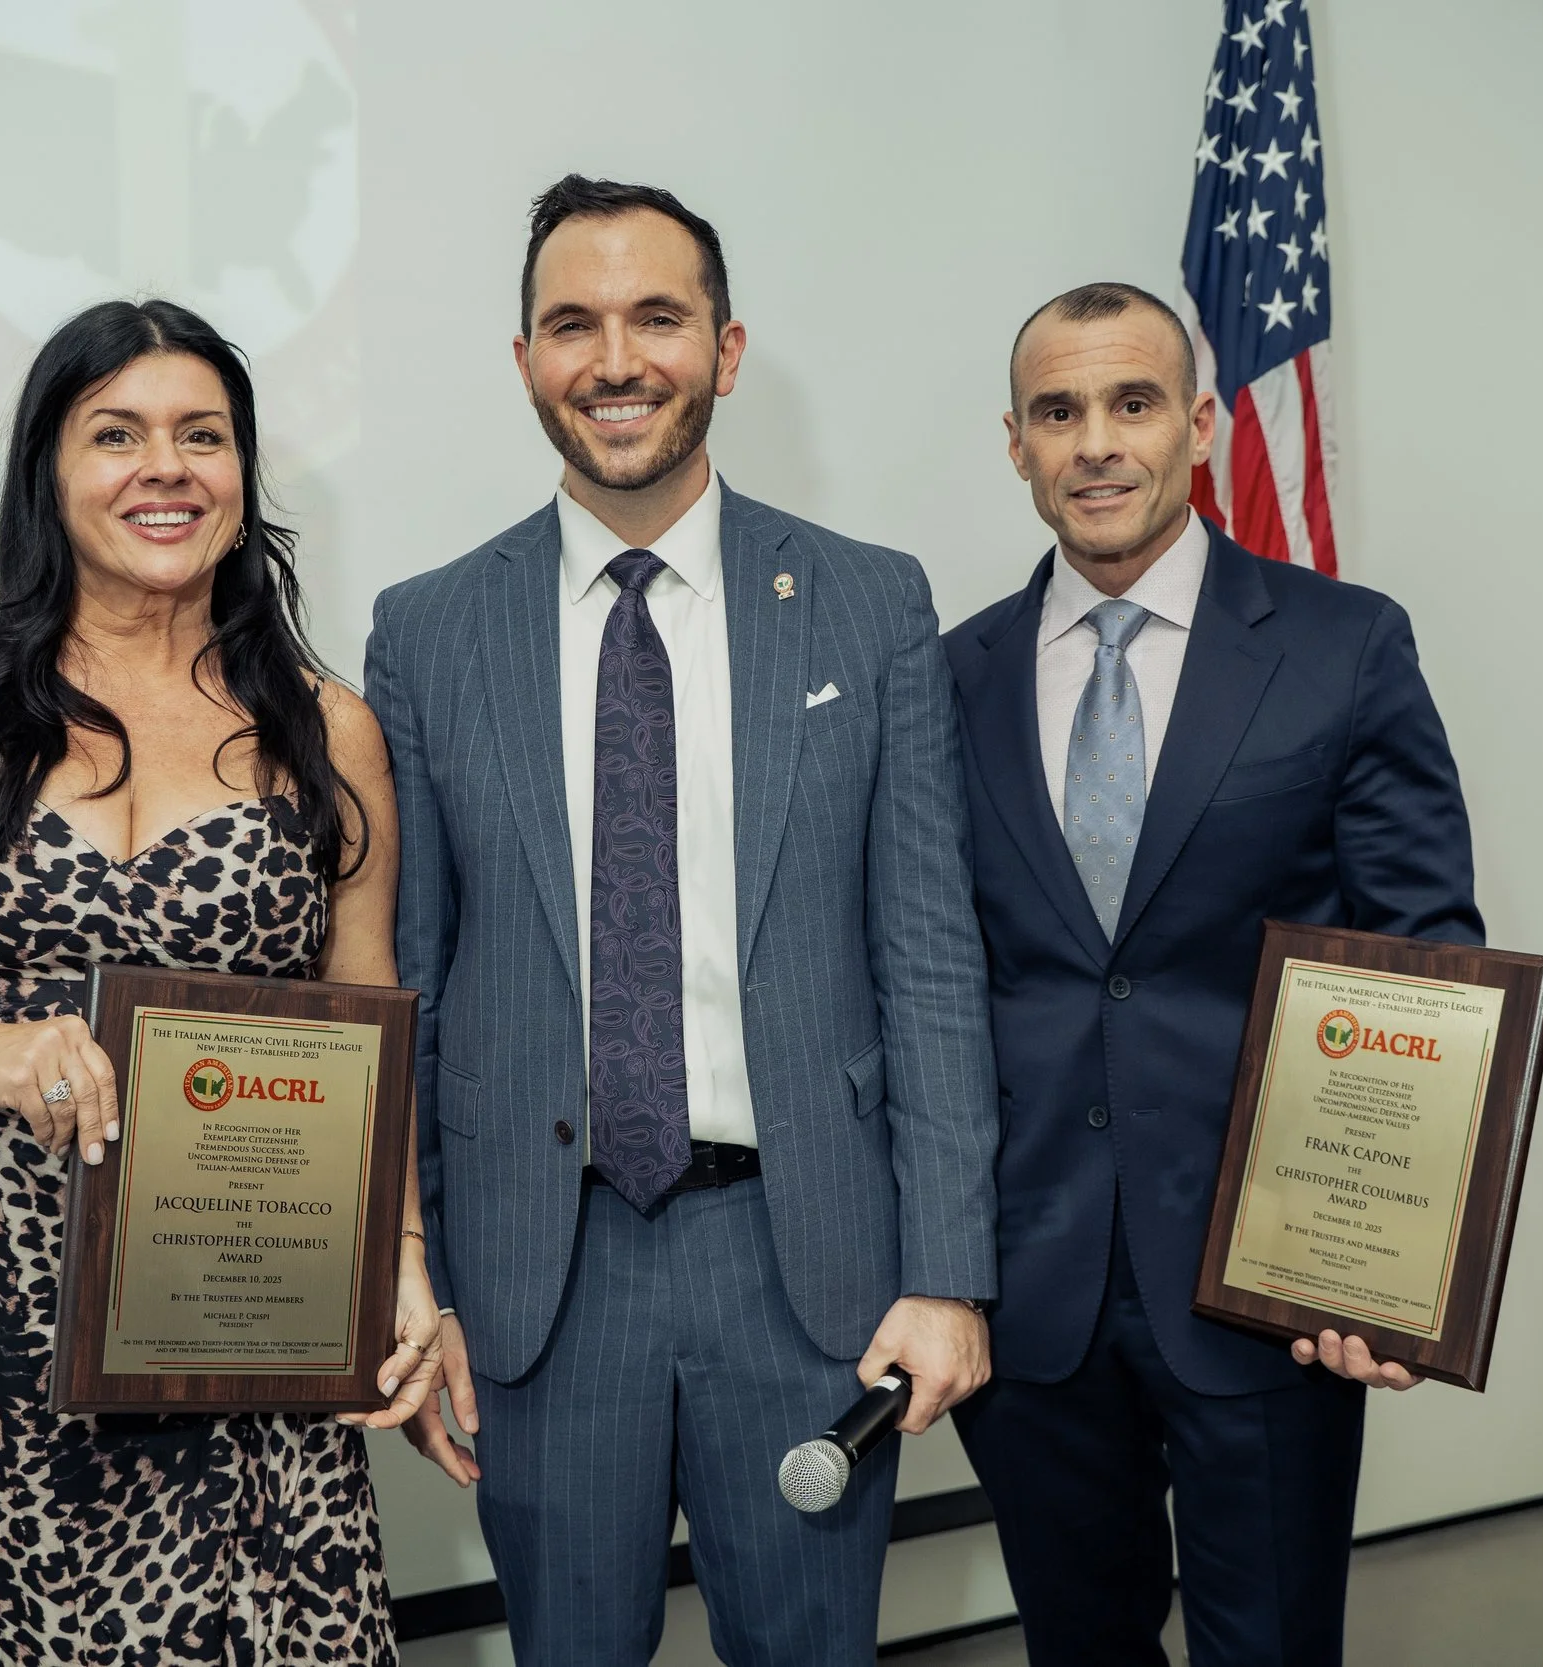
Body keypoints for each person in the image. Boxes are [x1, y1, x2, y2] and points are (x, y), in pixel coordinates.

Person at [364, 176, 999, 1666]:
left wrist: (949, 1271)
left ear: (725, 349)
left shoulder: (865, 602)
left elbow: (927, 956)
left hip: (805, 1273)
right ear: (523, 358)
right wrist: (414, 1277)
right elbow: (416, 980)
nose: (616, 357)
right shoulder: (430, 628)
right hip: (540, 1277)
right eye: (572, 323)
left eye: (658, 316)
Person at [0, 299, 439, 1664]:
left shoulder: (327, 728)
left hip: (239, 1336)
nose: (164, 468)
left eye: (203, 435)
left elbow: (367, 1022)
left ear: (243, 479)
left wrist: (403, 1265)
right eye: (114, 433)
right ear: (49, 473)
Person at [941, 282, 1483, 1667]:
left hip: (1271, 1286)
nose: (1097, 442)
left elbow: (1422, 958)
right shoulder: (946, 680)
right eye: (1059, 412)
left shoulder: (1343, 644)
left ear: (1199, 422)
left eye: (1132, 403)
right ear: (1015, 443)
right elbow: (925, 977)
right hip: (1031, 1286)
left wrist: (1394, 1271)